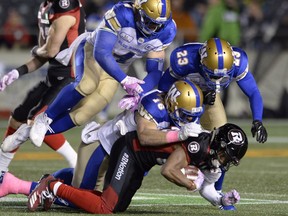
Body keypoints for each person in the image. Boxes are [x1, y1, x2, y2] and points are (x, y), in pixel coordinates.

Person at [1, 79, 205, 209]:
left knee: (104, 201)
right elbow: (145, 137)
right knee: (80, 199)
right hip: (103, 146)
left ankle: (52, 179)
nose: (188, 121)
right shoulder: (155, 105)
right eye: (184, 115)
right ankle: (17, 184)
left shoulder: (185, 119)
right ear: (171, 104)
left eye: (191, 117)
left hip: (128, 158)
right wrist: (179, 135)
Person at [26, 0, 177, 148]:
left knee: (84, 114)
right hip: (92, 51)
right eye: (151, 23)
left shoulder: (167, 30)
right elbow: (102, 52)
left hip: (119, 66)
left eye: (160, 25)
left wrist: (139, 93)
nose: (155, 29)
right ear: (139, 12)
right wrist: (124, 80)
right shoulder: (122, 13)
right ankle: (45, 118)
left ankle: (26, 134)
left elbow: (155, 71)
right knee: (86, 85)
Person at [28, 122, 247, 213]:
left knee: (117, 206)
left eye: (229, 159)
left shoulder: (212, 158)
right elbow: (169, 170)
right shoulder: (198, 145)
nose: (224, 161)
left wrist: (219, 199)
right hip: (131, 149)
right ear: (217, 145)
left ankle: (58, 190)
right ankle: (53, 185)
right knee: (106, 207)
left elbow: (206, 185)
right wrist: (189, 182)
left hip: (142, 160)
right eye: (224, 155)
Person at [157, 37, 268, 209]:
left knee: (222, 140)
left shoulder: (237, 61)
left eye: (221, 76)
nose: (217, 81)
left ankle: (217, 192)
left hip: (209, 100)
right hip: (182, 99)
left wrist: (258, 120)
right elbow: (164, 87)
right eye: (213, 75)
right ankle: (143, 162)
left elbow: (253, 92)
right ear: (201, 63)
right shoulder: (185, 60)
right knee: (165, 140)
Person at [0, 0, 86, 177]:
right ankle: (0, 170)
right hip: (53, 76)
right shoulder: (45, 6)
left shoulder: (65, 5)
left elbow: (50, 51)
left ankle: (78, 165)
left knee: (38, 123)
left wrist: (37, 50)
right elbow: (43, 54)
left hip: (71, 78)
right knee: (17, 118)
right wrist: (18, 72)